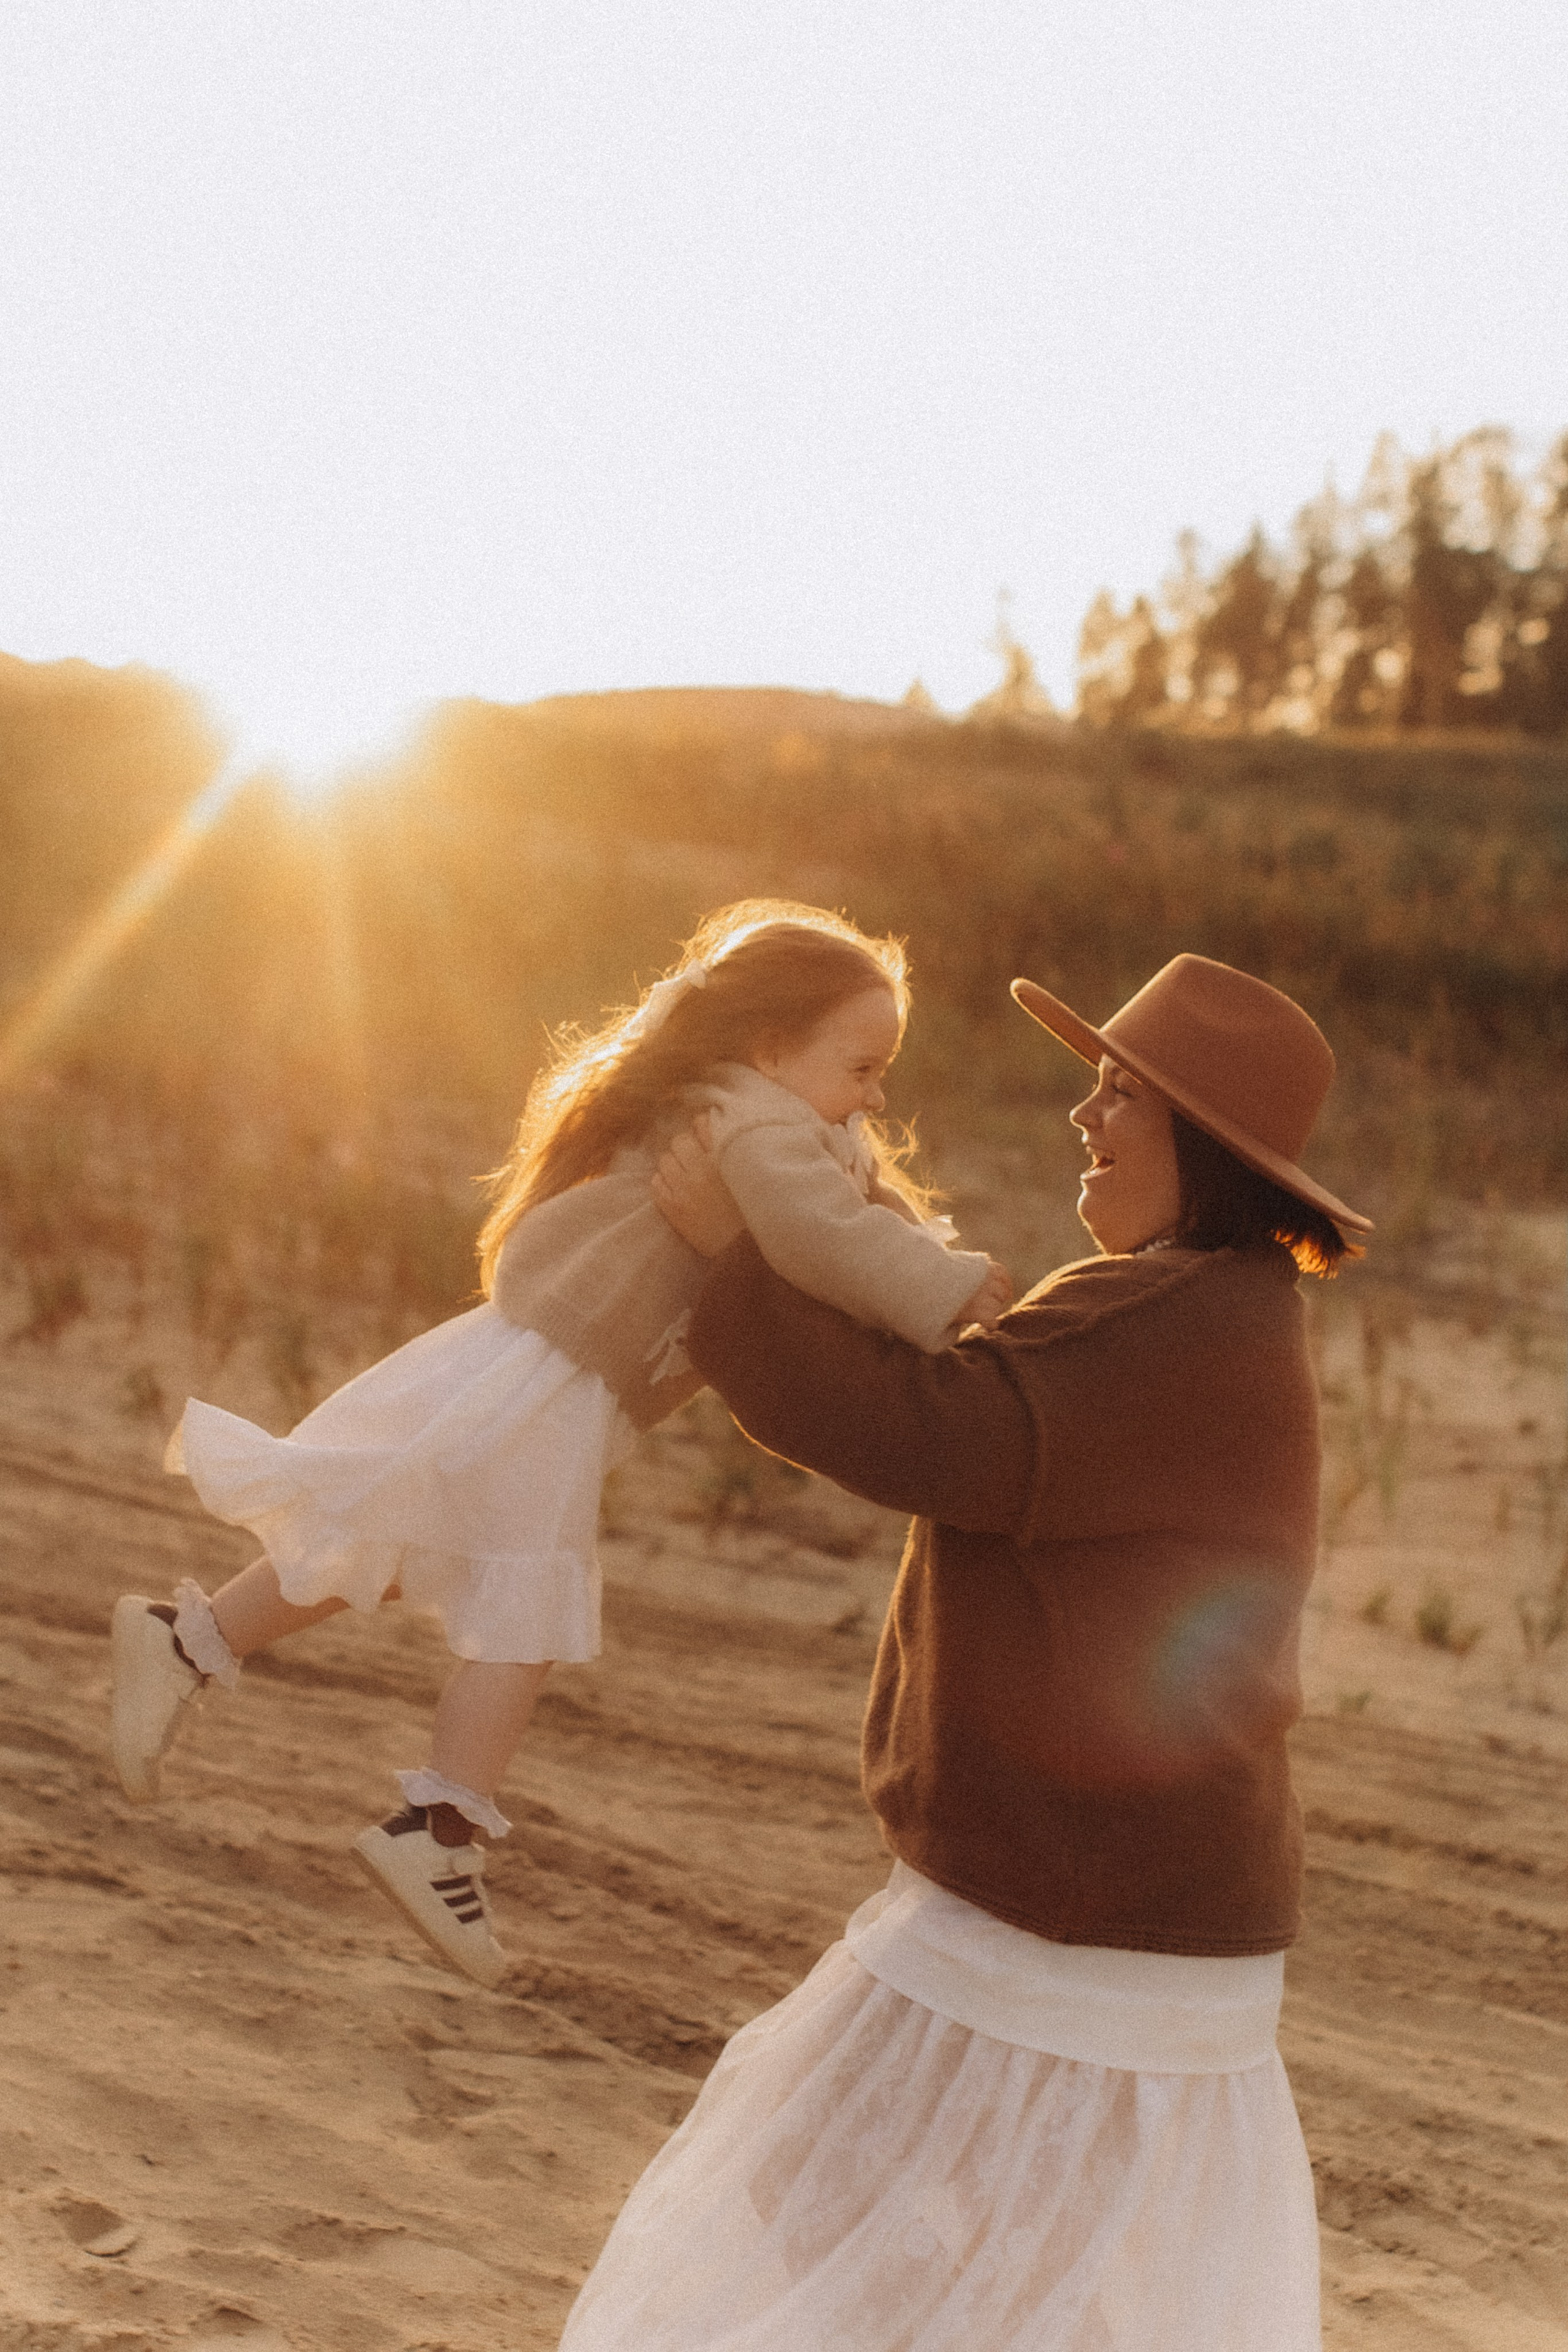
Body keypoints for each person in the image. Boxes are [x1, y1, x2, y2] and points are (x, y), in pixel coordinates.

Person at [560, 952, 1373, 2352]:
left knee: (831, 2214)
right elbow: (960, 1400)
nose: (1083, 1114)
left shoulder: (1168, 1318)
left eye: (1119, 1092)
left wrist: (726, 1259)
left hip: (1077, 1922)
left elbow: (923, 1430)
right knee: (906, 2244)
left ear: (1203, 1148)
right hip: (1094, 1905)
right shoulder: (1192, 1307)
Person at [108, 900, 1008, 1986]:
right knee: (524, 1603)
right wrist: (954, 1295)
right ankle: (434, 1842)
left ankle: (184, 1643)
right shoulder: (756, 1121)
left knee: (385, 1530)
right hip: (560, 1376)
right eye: (863, 1067)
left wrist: (925, 1258)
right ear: (775, 1048)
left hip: (541, 1361)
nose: (876, 1095)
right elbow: (824, 1238)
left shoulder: (771, 1112)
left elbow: (853, 1207)